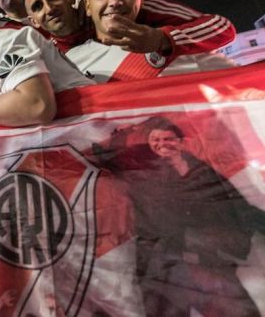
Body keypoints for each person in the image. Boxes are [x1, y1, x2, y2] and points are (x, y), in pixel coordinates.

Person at [99, 117, 265, 316]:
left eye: (167, 138)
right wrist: (122, 134)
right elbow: (110, 160)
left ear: (180, 141)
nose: (162, 144)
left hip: (209, 261)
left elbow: (236, 204)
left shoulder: (203, 171)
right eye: (155, 140)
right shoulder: (143, 173)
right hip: (164, 266)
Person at [64, 0, 236, 82]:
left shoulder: (157, 16)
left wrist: (163, 40)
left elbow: (223, 27)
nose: (115, 2)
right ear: (87, 6)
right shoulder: (69, 56)